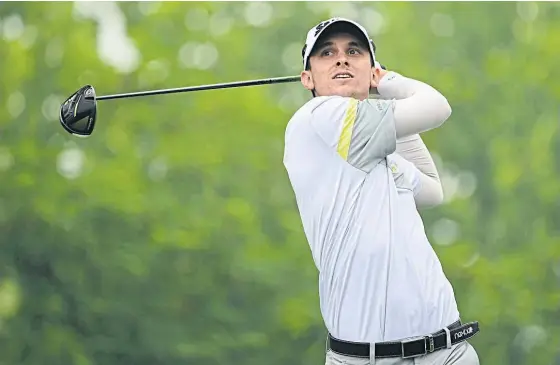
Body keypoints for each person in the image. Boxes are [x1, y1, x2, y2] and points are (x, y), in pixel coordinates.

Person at [282, 17, 480, 364]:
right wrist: (388, 82)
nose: (342, 58)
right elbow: (437, 107)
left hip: (448, 351)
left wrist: (380, 104)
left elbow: (433, 190)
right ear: (307, 79)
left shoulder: (372, 151)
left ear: (368, 67)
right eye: (327, 53)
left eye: (354, 51)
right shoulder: (319, 115)